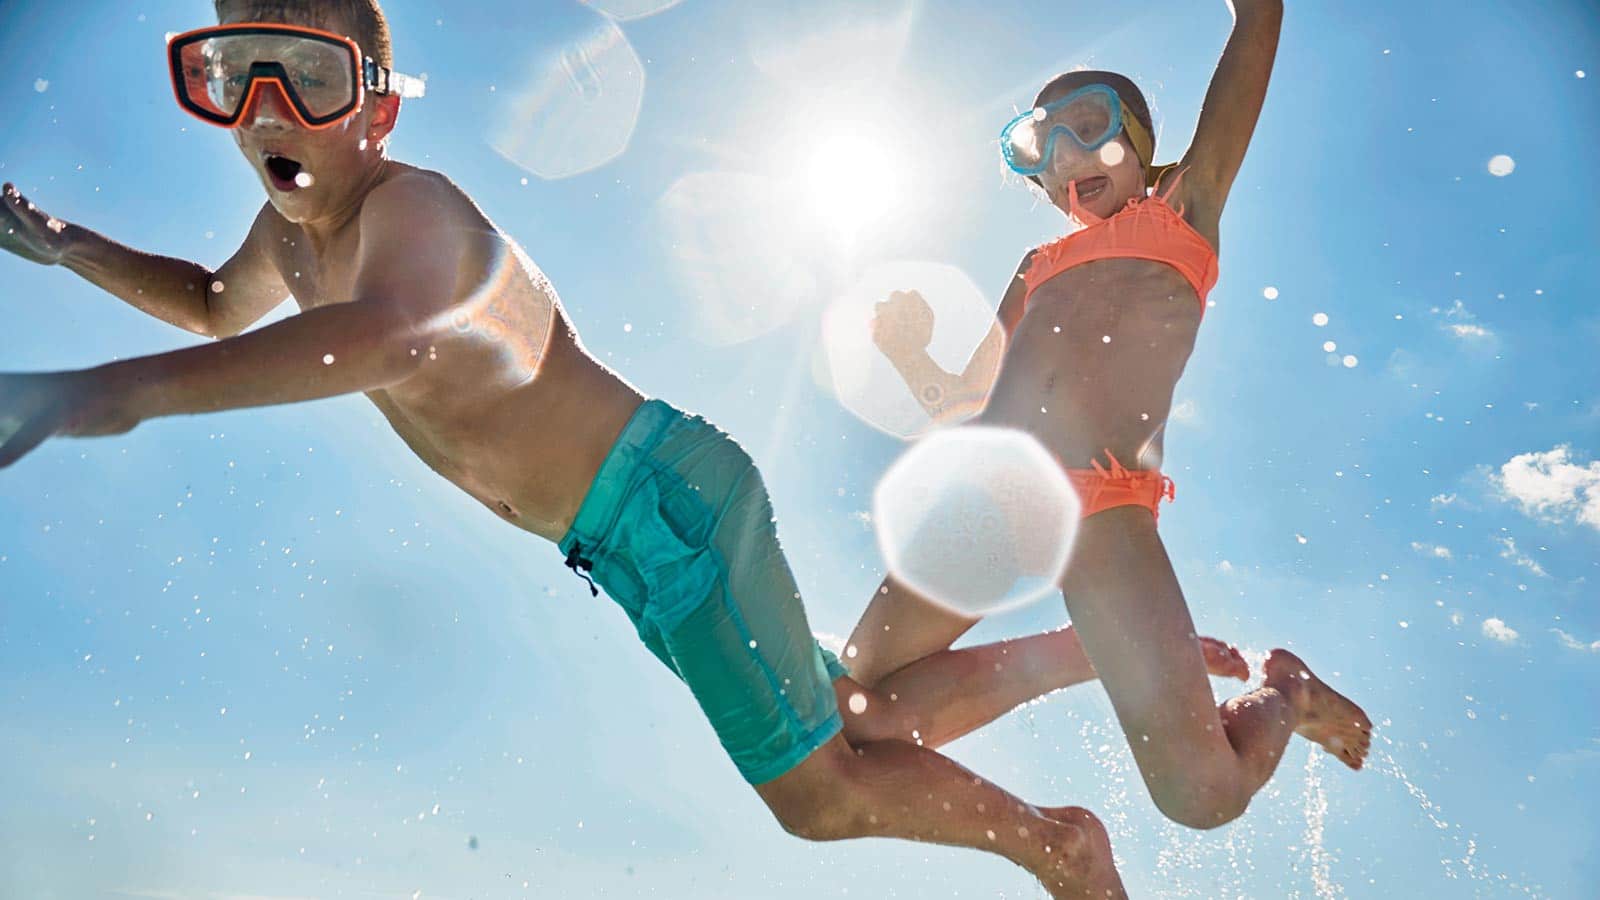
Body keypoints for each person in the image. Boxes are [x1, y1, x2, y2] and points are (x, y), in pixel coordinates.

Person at [0, 1, 1139, 895]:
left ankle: (1058, 851)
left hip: (662, 500)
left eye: (306, 79)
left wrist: (115, 392)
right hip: (624, 539)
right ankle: (1078, 661)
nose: (263, 110)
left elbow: (389, 339)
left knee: (817, 795)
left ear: (377, 111)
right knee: (842, 711)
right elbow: (209, 303)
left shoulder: (413, 212)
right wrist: (64, 248)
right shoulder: (283, 240)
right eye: (226, 73)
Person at [856, 0, 1373, 834]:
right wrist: (914, 355)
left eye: (1086, 123)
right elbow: (967, 402)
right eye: (1038, 144)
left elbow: (1259, 25)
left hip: (1106, 512)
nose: (1065, 156)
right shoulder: (1036, 266)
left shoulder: (1186, 209)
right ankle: (1069, 655)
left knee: (1202, 797)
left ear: (1135, 134)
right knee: (852, 710)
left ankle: (1288, 693)